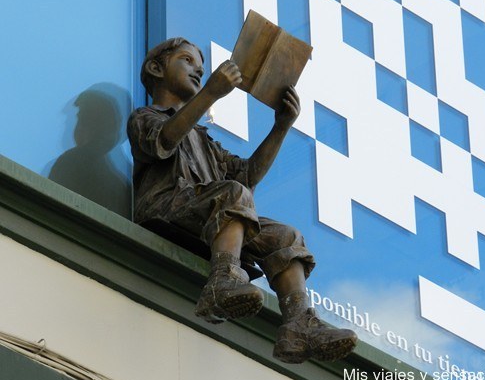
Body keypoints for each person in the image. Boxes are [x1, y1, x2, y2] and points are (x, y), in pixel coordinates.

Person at [127, 37, 357, 363]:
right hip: (164, 208)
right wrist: (211, 92)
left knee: (285, 236)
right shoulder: (145, 116)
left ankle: (298, 323)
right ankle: (222, 282)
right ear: (156, 68)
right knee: (234, 194)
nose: (197, 71)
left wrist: (280, 127)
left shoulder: (206, 143)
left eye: (201, 68)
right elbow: (161, 141)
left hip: (208, 214)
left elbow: (246, 176)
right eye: (187, 61)